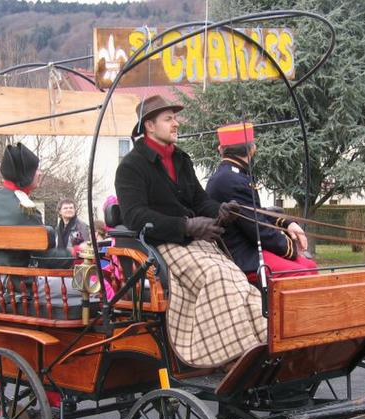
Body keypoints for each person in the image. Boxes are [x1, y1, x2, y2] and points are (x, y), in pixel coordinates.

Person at [114, 95, 265, 369]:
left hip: (194, 242)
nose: (176, 123)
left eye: (175, 117)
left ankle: (260, 343)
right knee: (216, 275)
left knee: (237, 277)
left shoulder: (182, 159)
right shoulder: (131, 166)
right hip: (160, 245)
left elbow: (199, 201)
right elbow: (134, 216)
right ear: (149, 125)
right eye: (169, 119)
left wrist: (220, 211)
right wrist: (185, 226)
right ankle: (230, 355)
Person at [0, 143, 64, 419]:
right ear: (27, 176)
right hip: (23, 295)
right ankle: (53, 412)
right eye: (36, 171)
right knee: (46, 350)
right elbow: (43, 251)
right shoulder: (27, 206)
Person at [206, 122, 317, 277]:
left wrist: (287, 222)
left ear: (221, 150)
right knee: (301, 273)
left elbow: (254, 212)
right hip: (242, 256)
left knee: (309, 265)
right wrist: (291, 248)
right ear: (252, 149)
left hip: (249, 249)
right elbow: (258, 229)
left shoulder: (231, 175)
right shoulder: (231, 179)